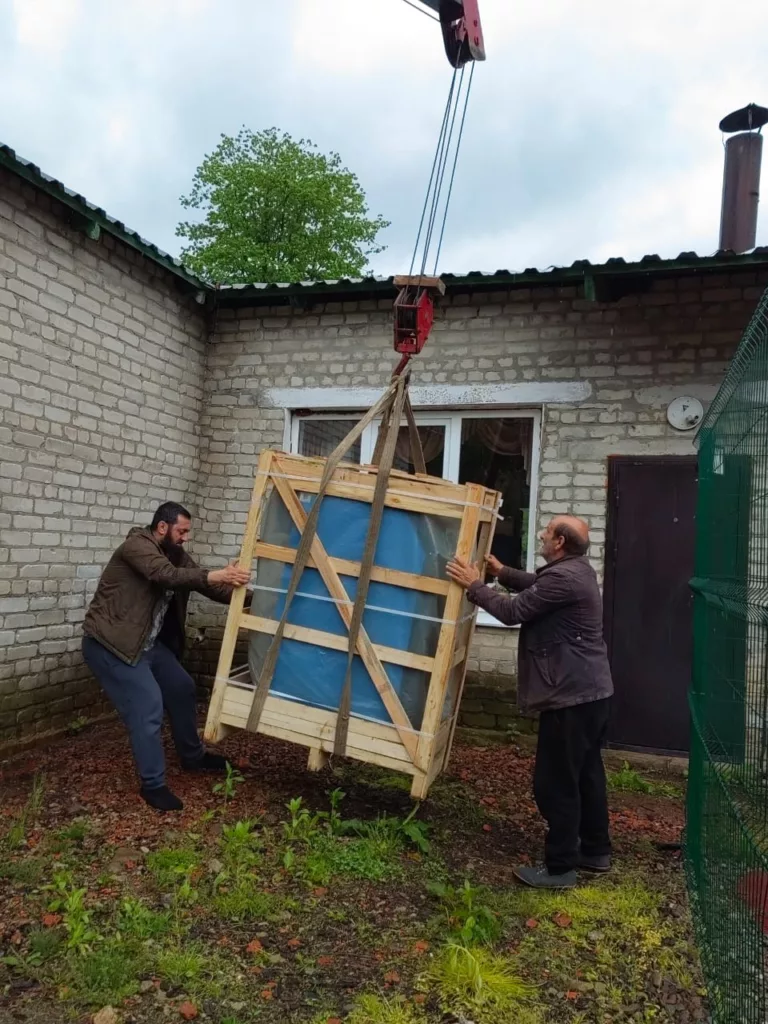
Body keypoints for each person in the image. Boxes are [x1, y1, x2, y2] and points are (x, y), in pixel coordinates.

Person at [446, 515, 614, 889]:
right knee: (586, 775)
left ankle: (560, 868)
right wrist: (502, 572)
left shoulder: (565, 578)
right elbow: (538, 584)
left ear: (558, 543)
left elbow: (513, 612)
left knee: (554, 783)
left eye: (548, 530)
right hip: (591, 694)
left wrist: (474, 585)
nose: (542, 532)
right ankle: (595, 852)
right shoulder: (576, 570)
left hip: (570, 698)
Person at [82, 501, 252, 812]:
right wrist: (218, 574)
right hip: (112, 645)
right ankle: (153, 785)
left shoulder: (175, 553)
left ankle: (193, 757)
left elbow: (207, 586)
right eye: (182, 531)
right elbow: (166, 576)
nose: (186, 537)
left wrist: (251, 596)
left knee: (181, 687)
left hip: (146, 645)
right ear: (163, 527)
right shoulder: (136, 547)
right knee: (148, 706)